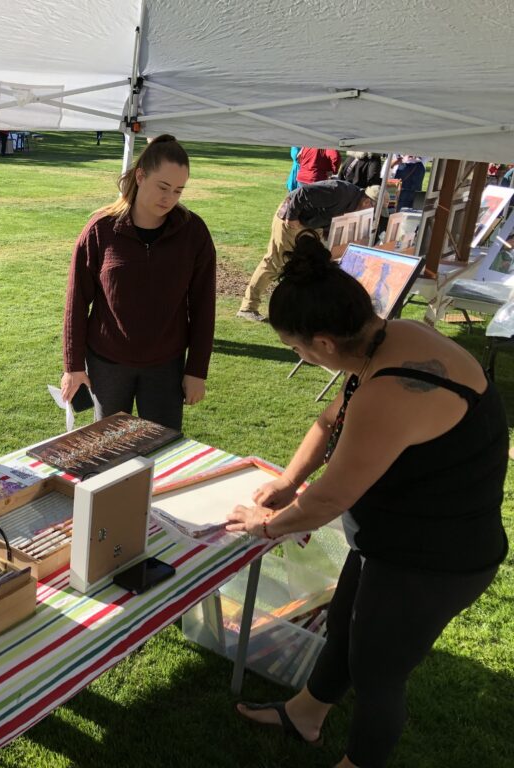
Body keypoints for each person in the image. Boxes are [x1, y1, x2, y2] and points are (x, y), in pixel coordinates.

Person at [227, 232, 508, 768]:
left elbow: (330, 498)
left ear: (325, 342)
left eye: (297, 349)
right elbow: (332, 418)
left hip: (436, 559)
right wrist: (287, 479)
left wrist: (266, 523)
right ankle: (305, 715)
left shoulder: (392, 393)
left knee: (379, 671)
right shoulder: (390, 336)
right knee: (345, 626)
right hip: (393, 539)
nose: (302, 358)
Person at [61, 134, 216, 431]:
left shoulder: (193, 232)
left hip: (166, 364)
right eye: (162, 187)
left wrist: (197, 370)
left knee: (161, 448)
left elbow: (203, 305)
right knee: (107, 448)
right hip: (108, 362)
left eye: (178, 191)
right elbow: (76, 302)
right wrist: (74, 366)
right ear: (141, 175)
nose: (168, 198)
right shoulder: (100, 229)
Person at [237, 180, 378, 322]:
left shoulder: (355, 202)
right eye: (373, 212)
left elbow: (329, 214)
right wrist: (292, 217)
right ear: (366, 203)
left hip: (310, 223)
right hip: (291, 217)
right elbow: (302, 193)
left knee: (313, 264)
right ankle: (248, 307)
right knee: (276, 262)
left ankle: (299, 309)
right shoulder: (339, 192)